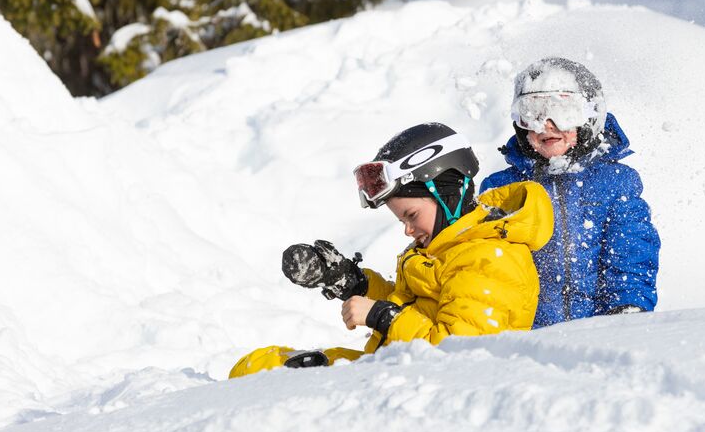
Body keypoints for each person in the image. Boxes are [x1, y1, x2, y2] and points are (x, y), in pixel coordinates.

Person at [229, 122, 554, 378]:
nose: (407, 230)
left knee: (271, 378)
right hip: (397, 372)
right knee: (258, 366)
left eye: (411, 215)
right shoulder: (449, 248)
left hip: (430, 390)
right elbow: (413, 304)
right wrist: (349, 281)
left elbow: (460, 355)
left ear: (448, 194)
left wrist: (381, 316)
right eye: (402, 219)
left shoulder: (488, 258)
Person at [481, 57, 660, 327]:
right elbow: (487, 264)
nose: (547, 124)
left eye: (562, 111)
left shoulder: (614, 182)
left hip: (598, 331)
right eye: (533, 112)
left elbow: (631, 254)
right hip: (527, 335)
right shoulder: (505, 189)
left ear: (588, 117)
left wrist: (626, 310)